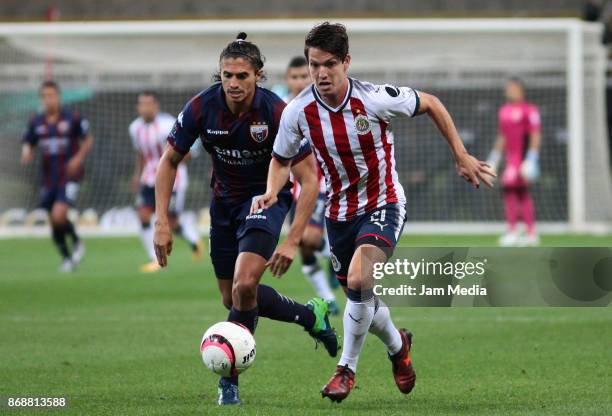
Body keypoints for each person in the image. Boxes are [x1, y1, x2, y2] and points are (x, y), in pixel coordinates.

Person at [253, 22, 495, 403]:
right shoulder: (298, 111)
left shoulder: (374, 99)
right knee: (358, 292)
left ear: (346, 61)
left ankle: (345, 369)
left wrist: (460, 155)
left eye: (329, 64)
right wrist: (271, 190)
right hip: (338, 213)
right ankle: (399, 346)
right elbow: (281, 160)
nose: (320, 73)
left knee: (358, 277)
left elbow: (431, 102)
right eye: (315, 64)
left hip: (384, 203)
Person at [153, 33, 339, 405]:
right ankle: (311, 317)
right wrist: (161, 221)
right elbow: (168, 161)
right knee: (235, 296)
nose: (234, 83)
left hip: (265, 202)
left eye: (242, 76)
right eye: (227, 76)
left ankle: (230, 379)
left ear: (259, 75)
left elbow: (308, 179)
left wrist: (292, 239)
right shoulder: (201, 108)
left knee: (244, 284)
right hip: (223, 207)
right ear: (219, 75)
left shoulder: (277, 112)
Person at [279, 56, 340, 314]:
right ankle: (328, 298)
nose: (299, 81)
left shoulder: (325, 103)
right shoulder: (279, 108)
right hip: (292, 188)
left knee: (308, 237)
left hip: (322, 182)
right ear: (287, 80)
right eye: (295, 77)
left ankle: (335, 254)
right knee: (304, 247)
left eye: (304, 76)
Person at [21, 80, 94, 272]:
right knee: (54, 221)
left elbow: (88, 139)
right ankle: (67, 257)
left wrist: (78, 158)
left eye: (51, 95)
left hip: (69, 175)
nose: (48, 99)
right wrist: (26, 151)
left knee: (59, 214)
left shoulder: (72, 118)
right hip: (48, 177)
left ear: (58, 96)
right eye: (45, 96)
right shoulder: (36, 122)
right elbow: (28, 141)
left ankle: (77, 242)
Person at [129, 91, 203, 272]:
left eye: (149, 104)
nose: (145, 108)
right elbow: (141, 154)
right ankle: (153, 257)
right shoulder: (135, 128)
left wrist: (173, 164)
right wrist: (137, 175)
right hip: (148, 178)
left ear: (156, 106)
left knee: (171, 222)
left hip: (173, 179)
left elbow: (190, 150)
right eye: (142, 104)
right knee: (143, 215)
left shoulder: (168, 124)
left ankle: (194, 240)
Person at [487, 78, 541, 246]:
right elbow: (502, 136)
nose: (508, 91)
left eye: (511, 88)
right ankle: (525, 231)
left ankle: (519, 231)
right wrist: (494, 157)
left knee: (518, 191)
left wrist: (531, 159)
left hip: (523, 159)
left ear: (520, 90)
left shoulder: (529, 110)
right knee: (513, 191)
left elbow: (535, 134)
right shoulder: (503, 111)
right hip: (510, 159)